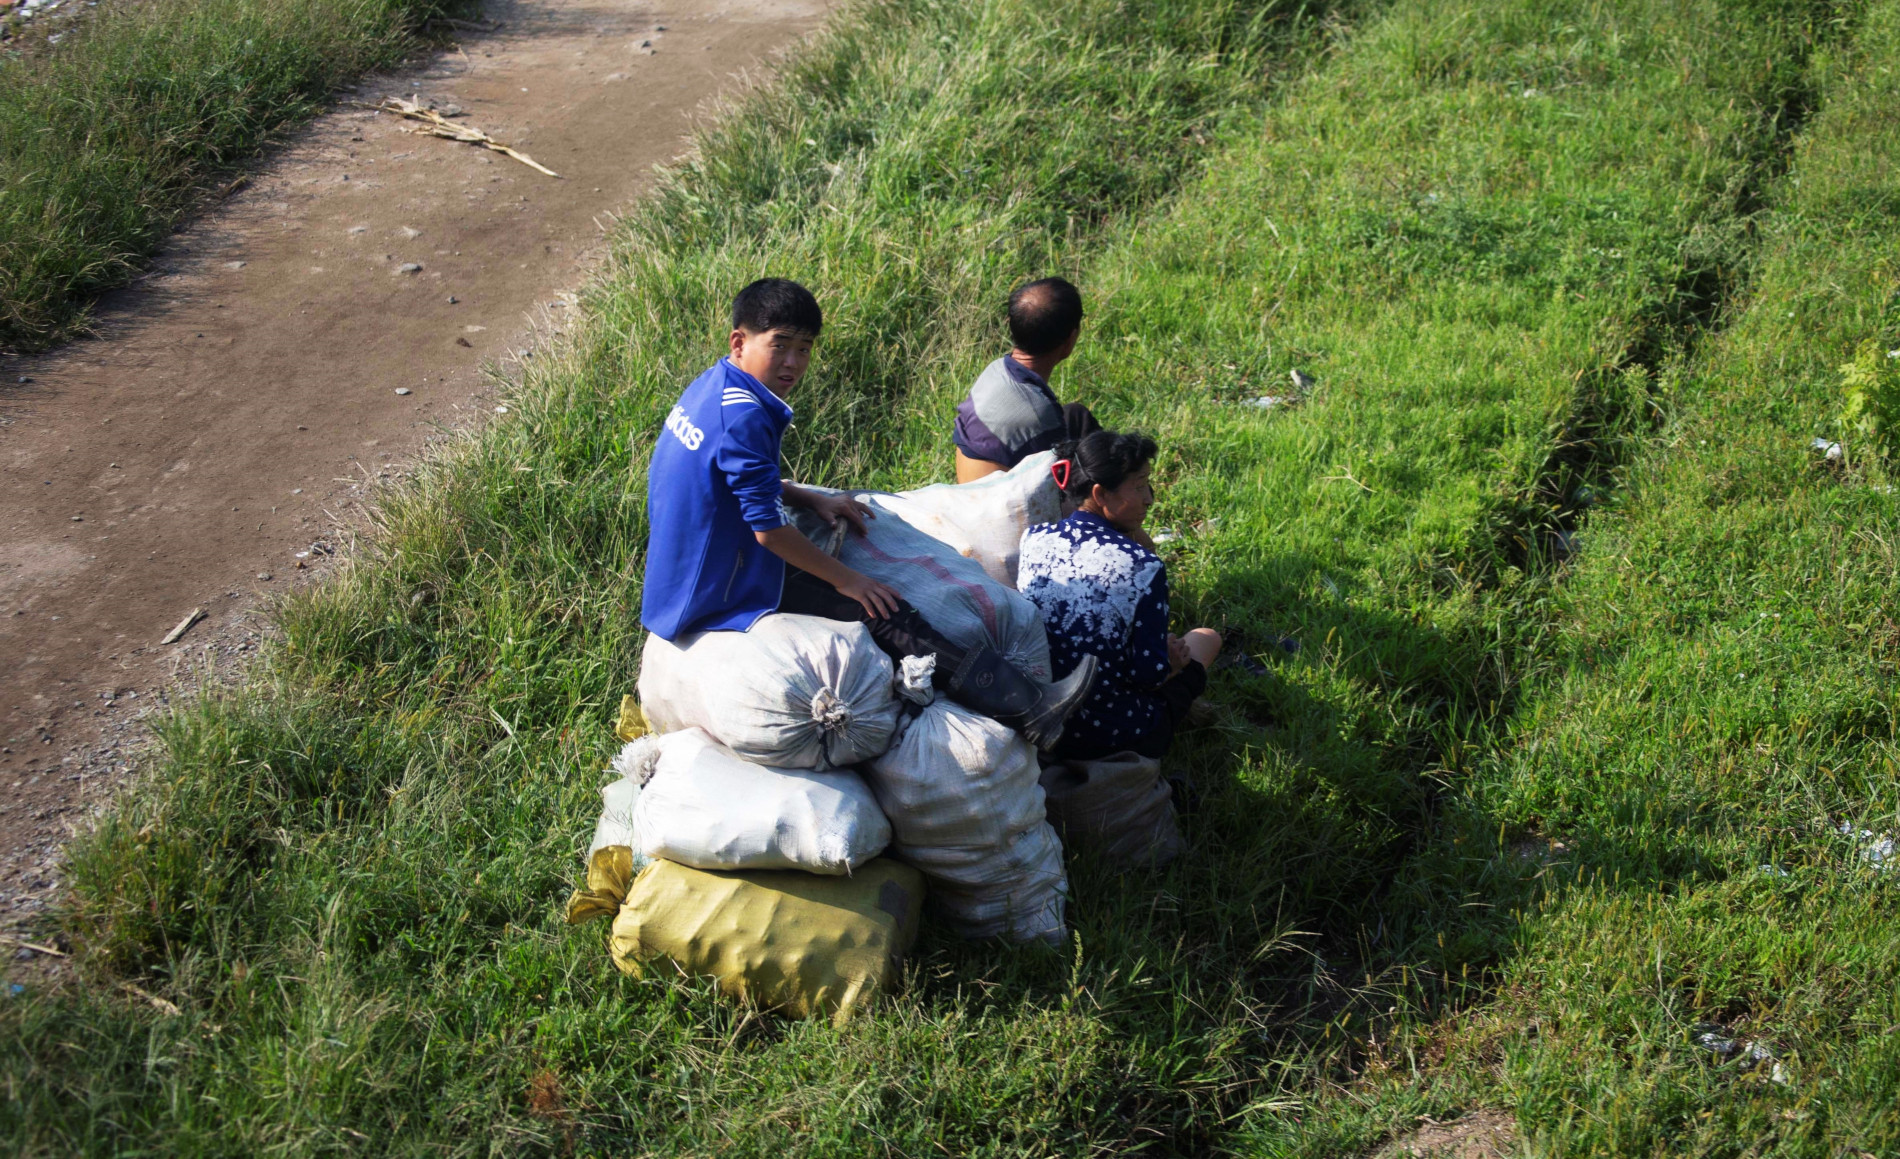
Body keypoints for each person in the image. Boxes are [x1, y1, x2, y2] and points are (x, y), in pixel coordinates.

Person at [640, 277, 1098, 750]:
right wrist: (848, 581)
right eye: (780, 346)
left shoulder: (714, 387)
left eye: (805, 348)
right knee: (881, 608)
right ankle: (1030, 708)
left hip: (681, 574)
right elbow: (770, 534)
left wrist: (806, 497)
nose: (794, 363)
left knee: (864, 588)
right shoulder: (746, 417)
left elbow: (729, 482)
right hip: (718, 585)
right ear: (740, 341)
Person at [1016, 430, 1221, 761]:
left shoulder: (1033, 537)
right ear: (1100, 494)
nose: (1150, 498)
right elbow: (1149, 675)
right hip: (1108, 734)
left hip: (1039, 719)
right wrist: (1171, 662)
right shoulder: (1143, 566)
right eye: (1139, 486)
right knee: (1205, 638)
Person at [952, 277, 1101, 483]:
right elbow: (1057, 486)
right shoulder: (1039, 415)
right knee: (1099, 478)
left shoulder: (996, 370)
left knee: (1076, 416)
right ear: (1070, 339)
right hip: (998, 509)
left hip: (971, 491)